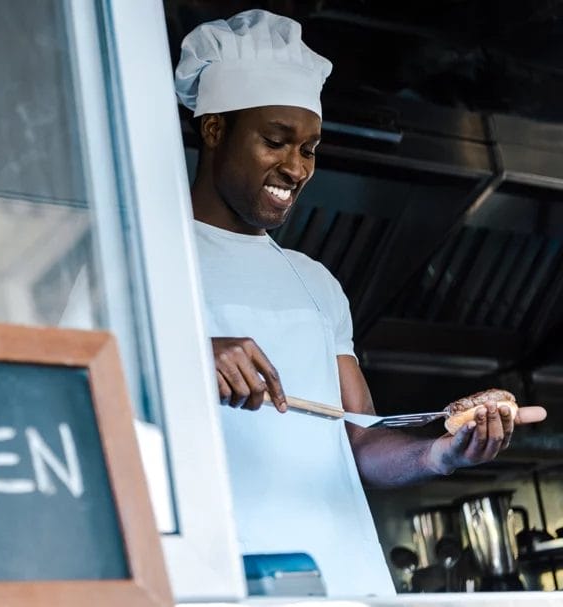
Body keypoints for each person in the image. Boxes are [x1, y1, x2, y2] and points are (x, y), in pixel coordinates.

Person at [174, 9, 547, 596]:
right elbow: (79, 395)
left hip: (347, 578)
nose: (296, 168)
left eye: (310, 148)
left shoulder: (314, 281)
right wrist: (184, 358)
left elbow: (363, 440)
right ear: (214, 129)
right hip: (220, 578)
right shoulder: (146, 256)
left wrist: (442, 454)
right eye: (275, 141)